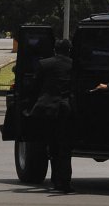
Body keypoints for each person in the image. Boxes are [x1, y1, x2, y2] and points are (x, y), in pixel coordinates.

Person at [28, 38, 74, 193]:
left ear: (55, 49)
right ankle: (65, 183)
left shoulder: (45, 64)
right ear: (69, 50)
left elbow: (35, 87)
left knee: (52, 146)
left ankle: (55, 180)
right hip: (66, 110)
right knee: (65, 148)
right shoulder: (73, 65)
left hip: (47, 110)